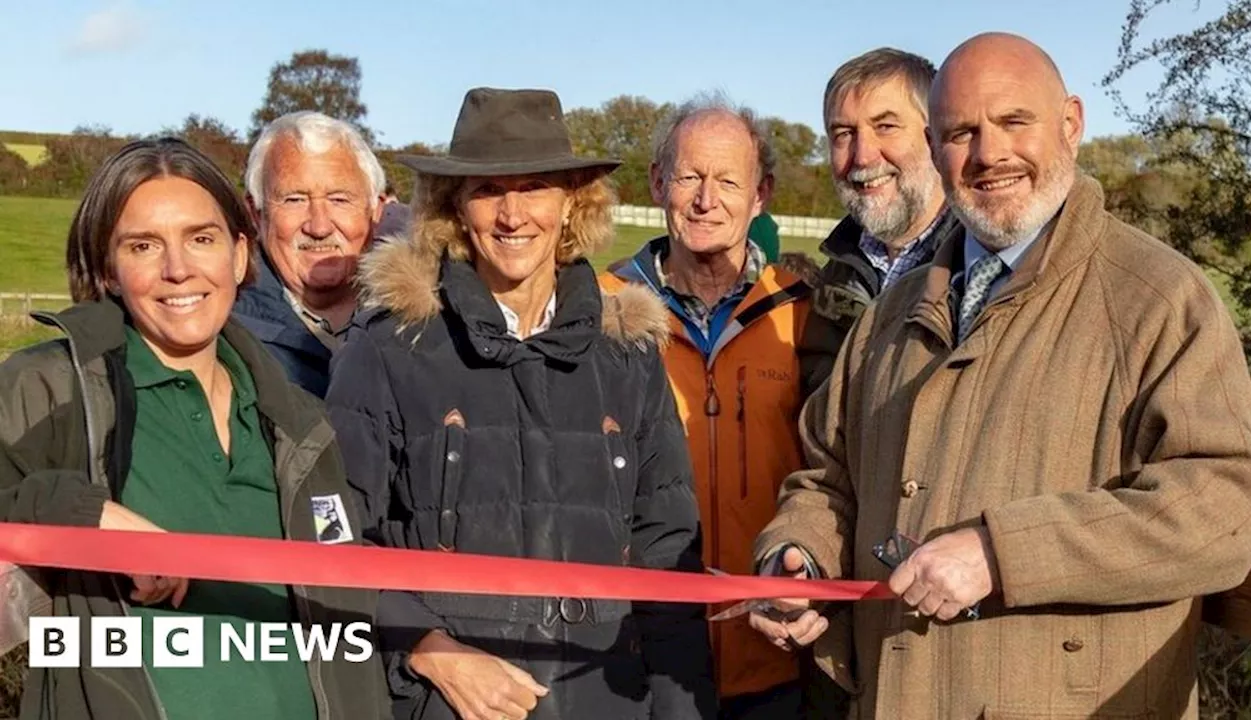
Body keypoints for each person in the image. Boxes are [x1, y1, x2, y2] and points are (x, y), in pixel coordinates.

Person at [750, 32, 1251, 719]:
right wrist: (799, 558)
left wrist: (1005, 552)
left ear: (1071, 124)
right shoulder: (890, 316)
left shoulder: (1159, 298)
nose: (989, 153)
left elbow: (1222, 509)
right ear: (935, 151)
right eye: (961, 132)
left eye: (1014, 122)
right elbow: (827, 477)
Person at [326, 87, 715, 720]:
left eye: (534, 186)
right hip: (446, 706)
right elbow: (333, 531)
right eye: (487, 191)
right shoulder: (391, 347)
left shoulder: (629, 357)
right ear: (455, 209)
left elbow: (667, 555)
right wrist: (428, 648)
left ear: (571, 204)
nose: (512, 215)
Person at [0, 137, 390, 720]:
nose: (178, 269)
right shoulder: (52, 388)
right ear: (109, 268)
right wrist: (81, 515)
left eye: (201, 239)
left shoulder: (299, 421)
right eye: (143, 245)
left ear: (238, 254)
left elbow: (343, 634)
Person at [601, 94, 811, 719]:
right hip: (641, 659)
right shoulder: (603, 308)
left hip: (772, 656)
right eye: (689, 177)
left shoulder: (803, 313)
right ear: (659, 183)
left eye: (727, 181)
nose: (704, 198)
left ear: (760, 194)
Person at [798, 48, 963, 398]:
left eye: (885, 126)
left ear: (934, 136)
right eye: (843, 133)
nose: (862, 155)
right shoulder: (835, 275)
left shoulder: (979, 266)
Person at [234, 111, 386, 398]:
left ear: (375, 210)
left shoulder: (424, 321)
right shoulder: (224, 337)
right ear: (256, 213)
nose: (319, 226)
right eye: (294, 200)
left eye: (339, 199)